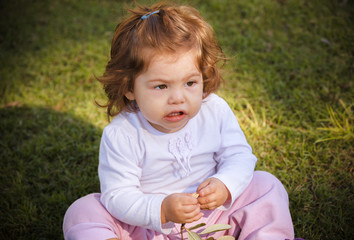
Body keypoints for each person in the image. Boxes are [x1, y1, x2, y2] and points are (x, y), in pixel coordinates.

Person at [63, 2, 294, 240]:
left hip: (215, 216)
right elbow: (118, 195)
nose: (177, 98)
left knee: (266, 184)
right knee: (84, 211)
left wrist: (224, 185)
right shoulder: (122, 133)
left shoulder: (214, 110)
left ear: (203, 76)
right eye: (161, 86)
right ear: (129, 87)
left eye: (190, 83)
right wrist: (162, 209)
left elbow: (239, 156)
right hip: (151, 228)